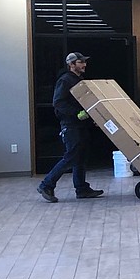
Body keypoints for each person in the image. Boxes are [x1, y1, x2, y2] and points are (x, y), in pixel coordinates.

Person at [37, 52, 104, 202]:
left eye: (84, 62)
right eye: (81, 62)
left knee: (81, 157)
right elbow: (58, 103)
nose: (84, 65)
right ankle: (46, 184)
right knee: (72, 156)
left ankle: (82, 189)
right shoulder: (65, 80)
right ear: (71, 65)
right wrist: (76, 113)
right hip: (71, 125)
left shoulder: (78, 80)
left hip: (81, 124)